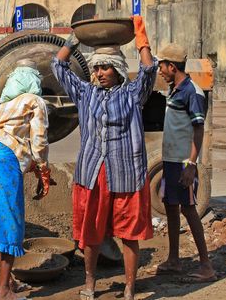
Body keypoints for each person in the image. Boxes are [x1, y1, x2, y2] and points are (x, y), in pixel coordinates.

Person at [51, 16, 156, 300]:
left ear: (119, 69)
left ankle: (130, 286)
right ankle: (89, 282)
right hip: (92, 174)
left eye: (105, 66)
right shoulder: (86, 94)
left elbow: (148, 69)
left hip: (126, 173)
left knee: (129, 234)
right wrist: (73, 39)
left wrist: (141, 37)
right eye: (96, 67)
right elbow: (57, 66)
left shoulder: (133, 95)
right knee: (91, 233)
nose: (99, 72)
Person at [0, 60, 51, 300]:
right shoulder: (34, 101)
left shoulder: (3, 106)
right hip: (2, 159)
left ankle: (8, 281)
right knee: (10, 222)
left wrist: (35, 169)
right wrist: (44, 169)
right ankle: (3, 290)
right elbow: (39, 141)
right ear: (33, 81)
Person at [151, 43, 216, 282]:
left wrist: (191, 164)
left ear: (171, 66)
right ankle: (174, 259)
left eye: (162, 66)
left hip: (182, 163)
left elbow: (198, 130)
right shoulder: (175, 89)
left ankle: (206, 265)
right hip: (170, 161)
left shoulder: (192, 92)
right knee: (170, 206)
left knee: (189, 210)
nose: (159, 70)